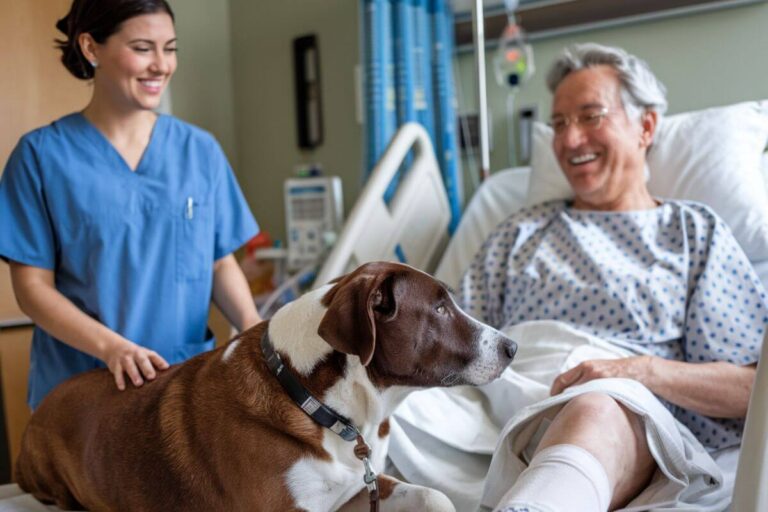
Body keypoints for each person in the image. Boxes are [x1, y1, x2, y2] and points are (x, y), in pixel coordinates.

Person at [459, 43, 766, 511]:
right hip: (493, 406)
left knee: (596, 407)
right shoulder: (519, 231)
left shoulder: (691, 232)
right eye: (559, 124)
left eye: (590, 116)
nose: (570, 139)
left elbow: (752, 390)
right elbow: (452, 336)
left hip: (614, 406)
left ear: (645, 126)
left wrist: (635, 370)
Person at [0, 0, 261, 410]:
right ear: (91, 48)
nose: (161, 64)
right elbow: (33, 289)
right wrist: (112, 348)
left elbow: (217, 261)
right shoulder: (40, 156)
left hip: (182, 384)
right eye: (143, 48)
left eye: (170, 48)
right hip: (82, 390)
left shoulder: (199, 150)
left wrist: (251, 330)